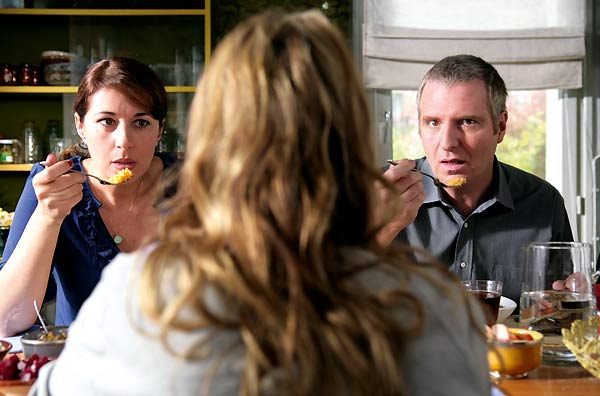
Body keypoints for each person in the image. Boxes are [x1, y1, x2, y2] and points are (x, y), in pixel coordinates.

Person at [31, 10, 490, 396]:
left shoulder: (139, 293)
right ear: (351, 136)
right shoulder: (434, 307)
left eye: (141, 122)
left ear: (212, 141)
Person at [0, 57, 178, 336]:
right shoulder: (50, 185)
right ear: (81, 125)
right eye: (107, 121)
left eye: (141, 122)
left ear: (159, 131)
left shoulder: (193, 183)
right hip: (80, 370)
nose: (124, 141)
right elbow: (6, 320)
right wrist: (49, 216)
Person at [386, 54, 573, 304]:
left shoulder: (543, 203)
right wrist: (380, 227)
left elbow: (559, 313)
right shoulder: (379, 194)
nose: (448, 143)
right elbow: (330, 306)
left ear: (501, 126)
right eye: (433, 122)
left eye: (467, 122)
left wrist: (570, 298)